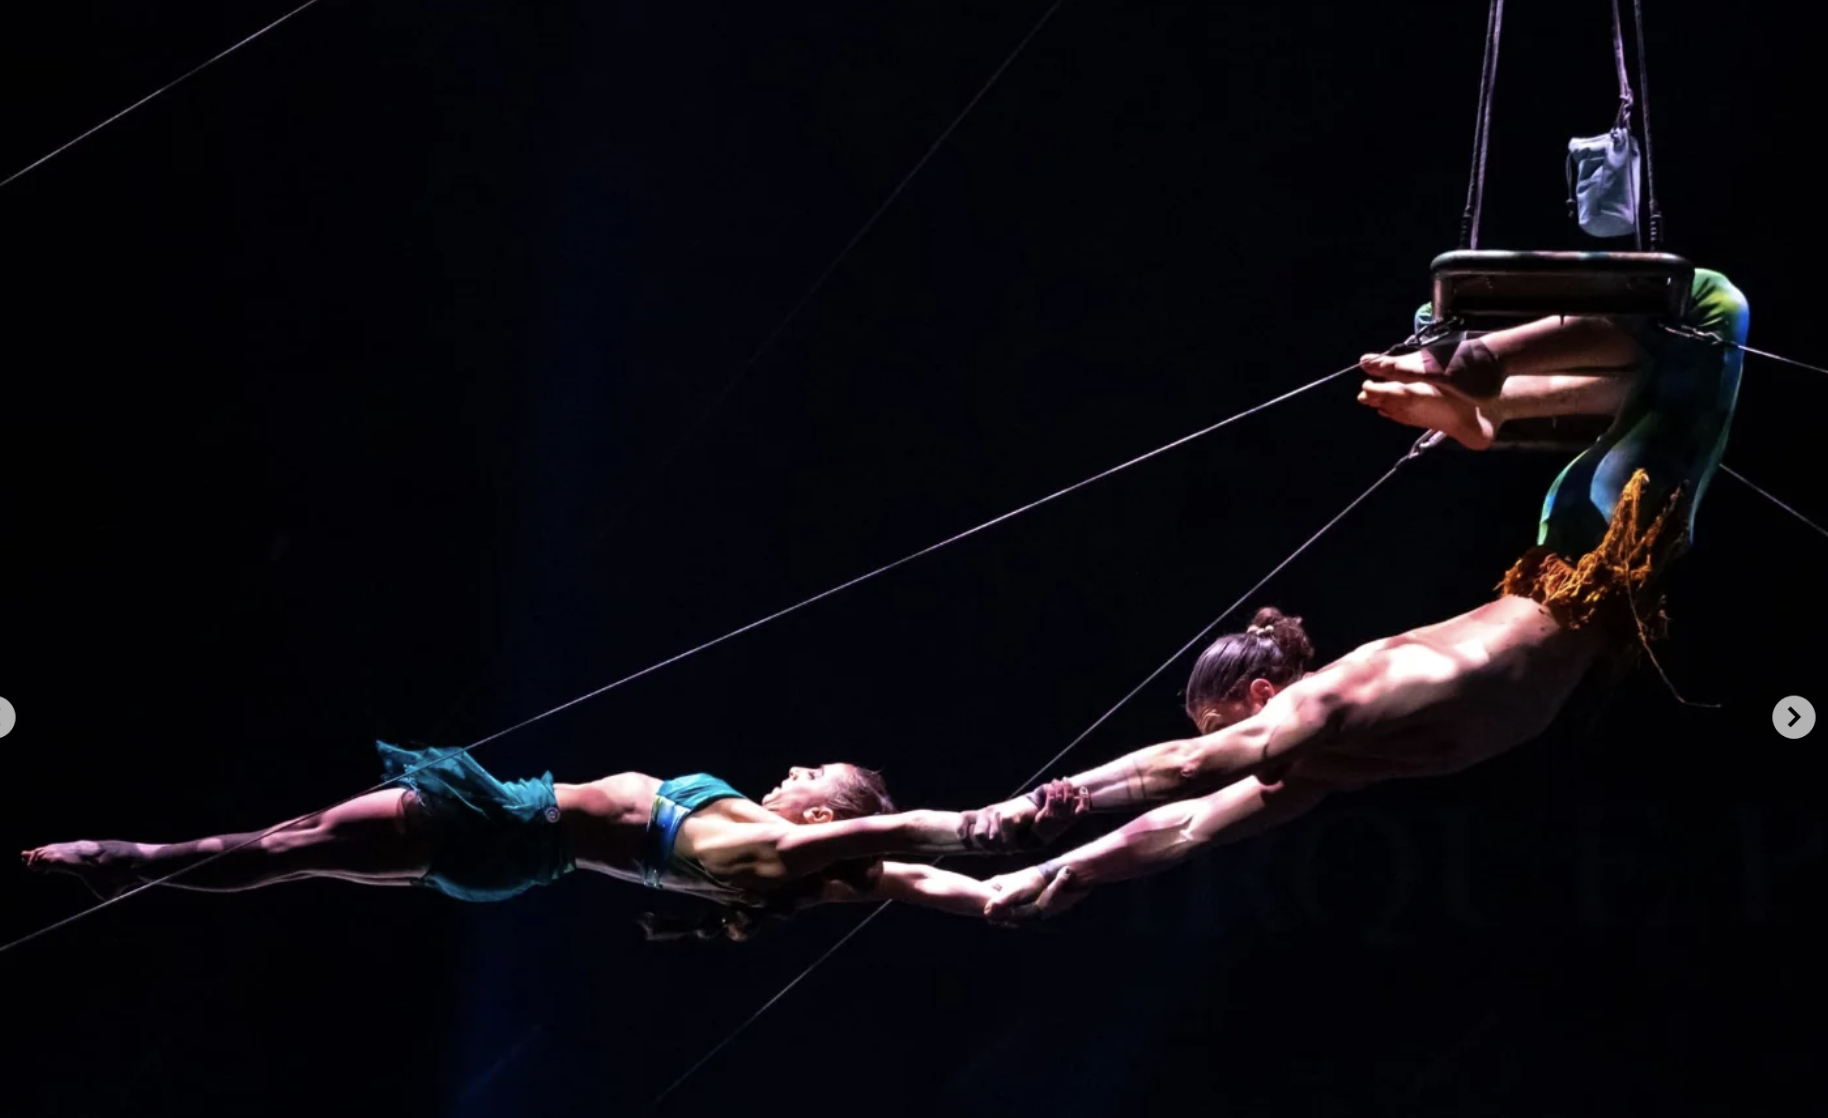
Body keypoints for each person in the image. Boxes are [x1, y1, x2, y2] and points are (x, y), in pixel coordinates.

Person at [970, 269, 1749, 920]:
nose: (1237, 762)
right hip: (1584, 550)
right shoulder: (1323, 770)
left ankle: (1473, 368)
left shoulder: (1330, 705)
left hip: (1594, 538)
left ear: (1265, 691)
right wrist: (1065, 874)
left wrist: (1065, 792)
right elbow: (1185, 828)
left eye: (1231, 727)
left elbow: (1187, 769)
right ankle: (1477, 399)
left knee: (1710, 310)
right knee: (1657, 373)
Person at [23, 742, 1078, 939]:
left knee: (271, 849)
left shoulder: (791, 853)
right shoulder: (801, 854)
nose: (796, 767)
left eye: (815, 775)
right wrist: (1010, 888)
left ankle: (119, 866)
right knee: (290, 844)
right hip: (514, 831)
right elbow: (927, 886)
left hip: (504, 829)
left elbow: (905, 836)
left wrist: (1001, 826)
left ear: (824, 813)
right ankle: (127, 869)